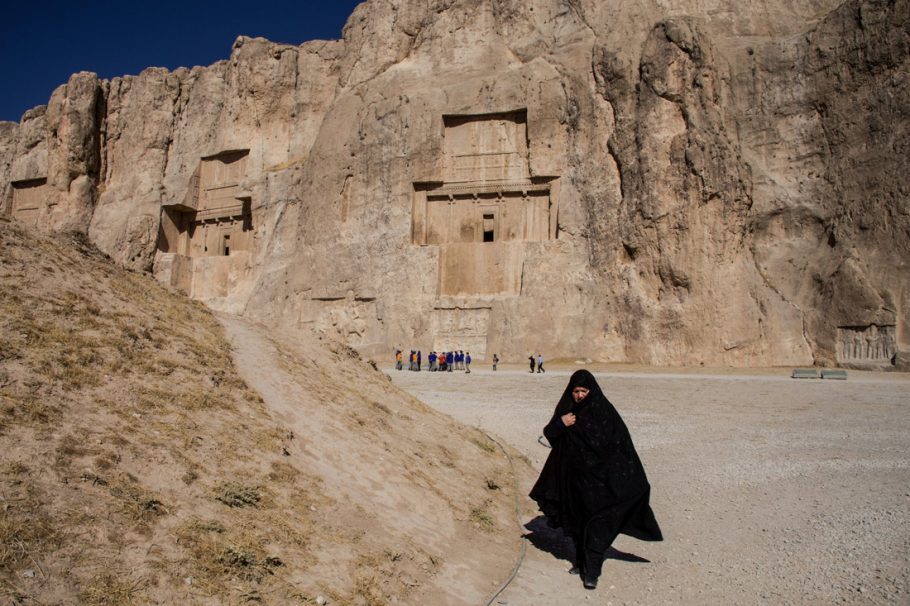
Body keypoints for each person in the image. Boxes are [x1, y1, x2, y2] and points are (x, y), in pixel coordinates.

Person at [529, 370, 662, 590]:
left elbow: (621, 445)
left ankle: (592, 571)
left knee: (597, 523)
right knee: (577, 521)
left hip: (599, 481)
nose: (580, 396)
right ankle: (580, 562)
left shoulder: (604, 413)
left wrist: (627, 477)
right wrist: (561, 423)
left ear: (592, 391)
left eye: (584, 391)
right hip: (572, 479)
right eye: (576, 391)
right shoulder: (567, 411)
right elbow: (550, 433)